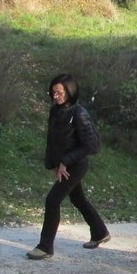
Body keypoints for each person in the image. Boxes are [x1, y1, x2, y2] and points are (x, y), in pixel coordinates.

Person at [27, 74, 110, 260]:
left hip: (76, 165)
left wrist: (65, 161)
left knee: (52, 200)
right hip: (63, 165)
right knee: (78, 199)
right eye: (53, 92)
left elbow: (91, 145)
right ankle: (100, 232)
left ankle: (45, 247)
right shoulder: (55, 111)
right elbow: (52, 140)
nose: (55, 96)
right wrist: (52, 165)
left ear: (70, 92)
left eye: (59, 92)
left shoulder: (79, 113)